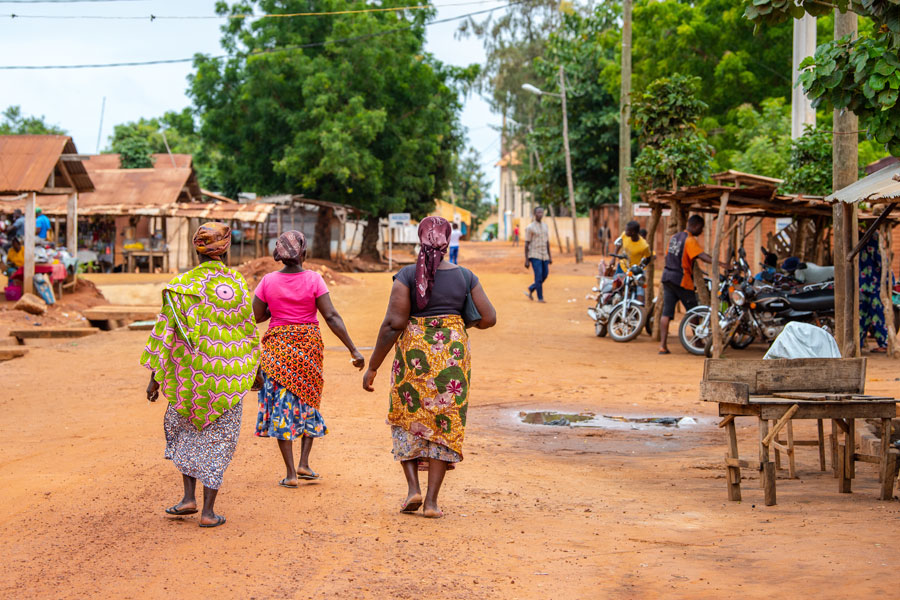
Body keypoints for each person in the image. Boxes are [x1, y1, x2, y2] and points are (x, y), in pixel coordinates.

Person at [363, 216, 496, 519]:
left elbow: (394, 324)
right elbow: (489, 318)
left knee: (407, 415)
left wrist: (373, 367)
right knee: (443, 424)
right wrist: (456, 326)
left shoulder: (407, 276)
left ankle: (413, 489)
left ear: (420, 239)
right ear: (448, 242)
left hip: (415, 357)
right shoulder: (466, 277)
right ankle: (432, 503)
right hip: (452, 357)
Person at [141, 222, 260, 528]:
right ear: (226, 247)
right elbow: (247, 331)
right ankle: (207, 511)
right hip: (228, 377)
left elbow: (165, 332)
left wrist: (155, 376)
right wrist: (253, 370)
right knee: (219, 441)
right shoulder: (235, 283)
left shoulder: (181, 285)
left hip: (189, 378)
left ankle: (187, 498)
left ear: (197, 249)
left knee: (187, 433)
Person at [253, 230, 365, 486]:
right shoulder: (315, 279)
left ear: (279, 255)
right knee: (308, 398)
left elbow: (257, 316)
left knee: (282, 406)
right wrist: (353, 349)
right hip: (308, 348)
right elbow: (331, 316)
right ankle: (304, 462)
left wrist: (275, 307)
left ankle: (292, 473)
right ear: (304, 252)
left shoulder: (268, 281)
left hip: (278, 349)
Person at [658, 215, 721, 355]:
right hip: (681, 280)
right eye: (702, 228)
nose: (702, 231)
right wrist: (720, 263)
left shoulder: (674, 237)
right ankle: (697, 341)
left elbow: (668, 255)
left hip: (667, 277)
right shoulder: (690, 240)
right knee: (694, 310)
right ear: (697, 226)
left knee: (666, 313)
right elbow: (701, 256)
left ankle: (662, 345)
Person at [858, 230, 889, 353]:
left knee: (875, 315)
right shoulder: (864, 245)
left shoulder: (871, 244)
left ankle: (883, 343)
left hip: (873, 287)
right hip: (866, 286)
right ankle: (859, 343)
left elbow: (883, 265)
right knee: (863, 317)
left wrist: (887, 282)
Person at [523, 206, 551, 302]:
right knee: (538, 276)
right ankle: (540, 297)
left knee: (545, 274)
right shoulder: (530, 228)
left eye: (541, 212)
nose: (540, 214)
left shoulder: (545, 226)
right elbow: (526, 244)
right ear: (535, 214)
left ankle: (532, 288)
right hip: (534, 255)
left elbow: (547, 242)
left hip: (544, 255)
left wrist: (550, 256)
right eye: (538, 213)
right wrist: (526, 260)